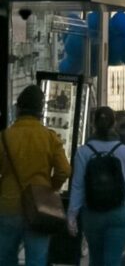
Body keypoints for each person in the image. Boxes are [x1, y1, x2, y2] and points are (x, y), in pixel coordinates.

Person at [0, 86, 73, 266]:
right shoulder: (49, 137)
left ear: (18, 109)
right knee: (37, 259)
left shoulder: (4, 137)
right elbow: (64, 170)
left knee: (5, 257)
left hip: (9, 206)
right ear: (40, 111)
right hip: (40, 207)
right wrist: (51, 187)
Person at [69, 107, 125, 266]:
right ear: (113, 124)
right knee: (113, 260)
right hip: (120, 213)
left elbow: (78, 186)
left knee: (96, 259)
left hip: (92, 214)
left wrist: (71, 216)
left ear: (93, 125)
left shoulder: (83, 152)